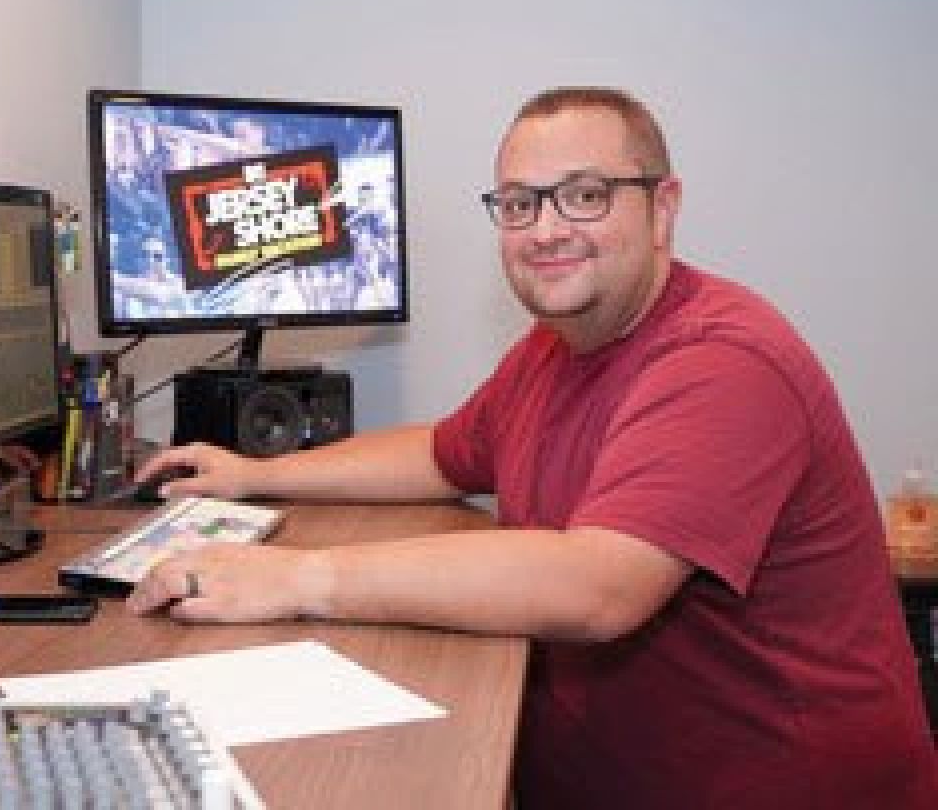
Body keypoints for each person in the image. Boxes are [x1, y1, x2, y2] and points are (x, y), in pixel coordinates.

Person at [125, 87, 937, 808]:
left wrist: (298, 577)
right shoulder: (556, 345)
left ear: (663, 209)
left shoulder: (724, 360)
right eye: (518, 204)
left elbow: (598, 586)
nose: (545, 229)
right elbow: (445, 454)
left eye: (584, 196)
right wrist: (257, 475)